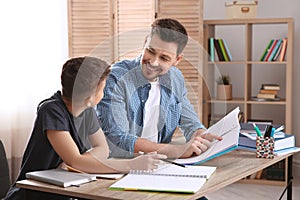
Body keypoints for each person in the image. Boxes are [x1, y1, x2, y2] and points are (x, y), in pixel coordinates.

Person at [4, 56, 166, 200]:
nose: (104, 93)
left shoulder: (87, 110)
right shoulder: (51, 110)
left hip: (65, 189)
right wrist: (131, 165)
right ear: (90, 98)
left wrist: (80, 162)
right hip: (33, 193)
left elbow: (101, 149)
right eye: (102, 89)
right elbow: (75, 160)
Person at [97, 18, 222, 159]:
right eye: (150, 51)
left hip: (157, 164)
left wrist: (200, 135)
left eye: (164, 58)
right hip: (118, 166)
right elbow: (117, 140)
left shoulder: (175, 78)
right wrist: (175, 151)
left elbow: (190, 122)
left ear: (177, 60)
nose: (153, 62)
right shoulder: (115, 78)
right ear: (145, 43)